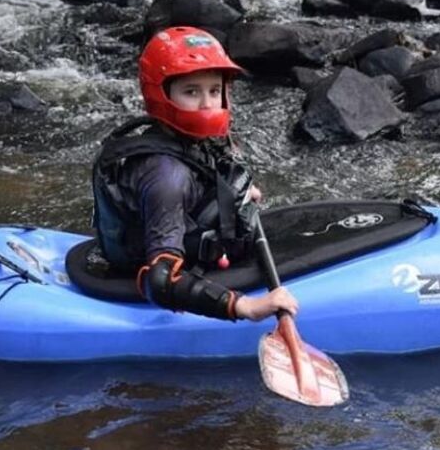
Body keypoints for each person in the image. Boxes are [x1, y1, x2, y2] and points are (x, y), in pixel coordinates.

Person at [92, 26, 299, 322]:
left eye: (214, 91)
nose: (207, 104)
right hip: (162, 274)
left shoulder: (190, 139)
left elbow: (205, 174)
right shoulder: (165, 177)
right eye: (191, 92)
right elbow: (161, 282)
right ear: (161, 94)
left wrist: (233, 195)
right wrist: (245, 307)